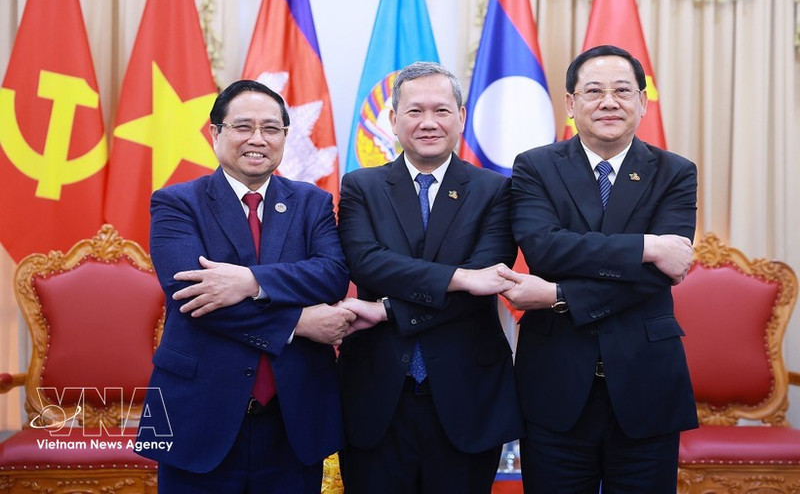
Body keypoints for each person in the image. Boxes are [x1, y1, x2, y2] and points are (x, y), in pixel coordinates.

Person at [497, 44, 699, 493]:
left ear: (643, 102)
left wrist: (558, 295)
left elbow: (660, 276)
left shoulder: (675, 173)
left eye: (623, 90)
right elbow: (546, 252)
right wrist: (647, 245)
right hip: (555, 384)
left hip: (647, 383)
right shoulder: (535, 167)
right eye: (594, 91)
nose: (609, 102)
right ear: (571, 104)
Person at [135, 80, 354, 493]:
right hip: (199, 416)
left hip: (293, 423)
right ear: (215, 132)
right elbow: (196, 299)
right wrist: (298, 324)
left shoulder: (313, 202)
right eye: (243, 127)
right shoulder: (176, 203)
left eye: (271, 128)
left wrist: (250, 282)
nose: (258, 139)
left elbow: (331, 274)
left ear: (286, 137)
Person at [336, 61, 524, 494]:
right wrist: (459, 277)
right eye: (415, 111)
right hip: (376, 396)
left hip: (468, 395)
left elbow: (487, 281)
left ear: (461, 116)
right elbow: (366, 264)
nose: (428, 123)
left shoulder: (495, 190)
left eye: (441, 110)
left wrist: (386, 310)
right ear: (393, 120)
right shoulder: (360, 186)